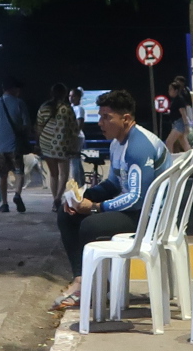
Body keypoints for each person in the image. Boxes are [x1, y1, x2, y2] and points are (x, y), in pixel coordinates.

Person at [52, 89, 168, 301]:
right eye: (100, 116)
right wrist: (82, 198)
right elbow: (113, 183)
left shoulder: (138, 147)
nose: (100, 123)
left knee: (90, 225)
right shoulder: (117, 144)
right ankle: (81, 279)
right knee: (66, 214)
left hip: (150, 217)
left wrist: (96, 207)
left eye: (107, 117)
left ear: (125, 119)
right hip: (136, 210)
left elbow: (136, 198)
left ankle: (97, 286)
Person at [0, 78, 34, 212]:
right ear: (13, 89)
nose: (19, 91)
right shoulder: (19, 103)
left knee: (2, 175)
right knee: (19, 173)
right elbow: (27, 125)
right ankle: (17, 194)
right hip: (15, 147)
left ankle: (4, 204)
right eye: (17, 88)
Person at [34, 85, 80, 206]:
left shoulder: (44, 107)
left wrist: (38, 142)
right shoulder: (67, 108)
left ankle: (55, 198)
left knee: (53, 174)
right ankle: (58, 198)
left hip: (46, 144)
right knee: (64, 174)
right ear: (64, 94)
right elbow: (74, 128)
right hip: (62, 145)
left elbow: (38, 127)